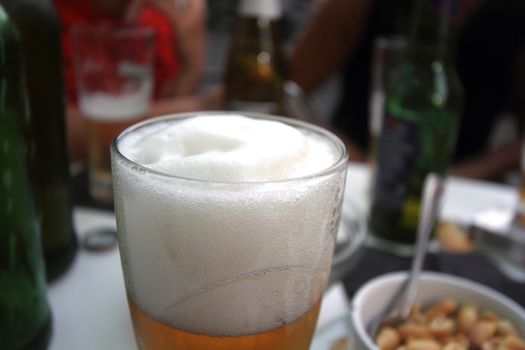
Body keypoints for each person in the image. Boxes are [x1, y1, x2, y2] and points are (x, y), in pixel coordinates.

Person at [289, 0, 525, 181]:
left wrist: (455, 177)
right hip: (353, 174)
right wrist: (342, 154)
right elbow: (285, 90)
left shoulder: (513, 14)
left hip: (459, 193)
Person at [53, 0, 213, 161]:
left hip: (143, 169)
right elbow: (50, 132)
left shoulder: (164, 16)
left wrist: (191, 66)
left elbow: (171, 139)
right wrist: (201, 107)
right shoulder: (44, 16)